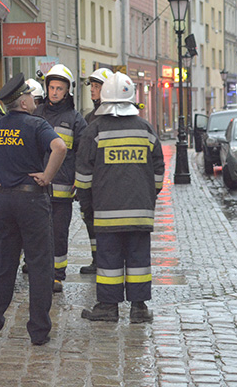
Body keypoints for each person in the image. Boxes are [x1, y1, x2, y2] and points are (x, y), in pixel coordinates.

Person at [0, 73, 66, 345]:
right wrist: (47, 175)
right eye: (30, 96)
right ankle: (39, 330)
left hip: (6, 201)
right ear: (22, 101)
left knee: (2, 264)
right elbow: (60, 146)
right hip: (32, 201)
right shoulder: (36, 124)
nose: (34, 99)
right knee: (40, 265)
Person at [75, 72, 165, 323]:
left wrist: (87, 206)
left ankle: (107, 307)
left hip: (105, 212)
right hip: (140, 211)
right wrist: (148, 196)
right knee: (138, 260)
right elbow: (158, 171)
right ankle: (139, 308)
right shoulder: (146, 129)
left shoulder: (95, 130)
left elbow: (83, 175)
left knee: (109, 261)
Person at [34, 64, 87, 292]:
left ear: (68, 92)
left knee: (59, 233)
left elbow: (84, 152)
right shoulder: (37, 115)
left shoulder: (75, 119)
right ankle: (40, 272)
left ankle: (57, 275)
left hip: (64, 189)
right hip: (37, 188)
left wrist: (79, 177)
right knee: (38, 233)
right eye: (52, 87)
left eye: (59, 88)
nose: (54, 92)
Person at [79, 67, 114, 274]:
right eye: (91, 86)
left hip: (107, 180)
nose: (92, 90)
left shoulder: (112, 116)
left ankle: (107, 258)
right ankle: (96, 259)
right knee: (90, 220)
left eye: (97, 86)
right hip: (91, 181)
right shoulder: (90, 117)